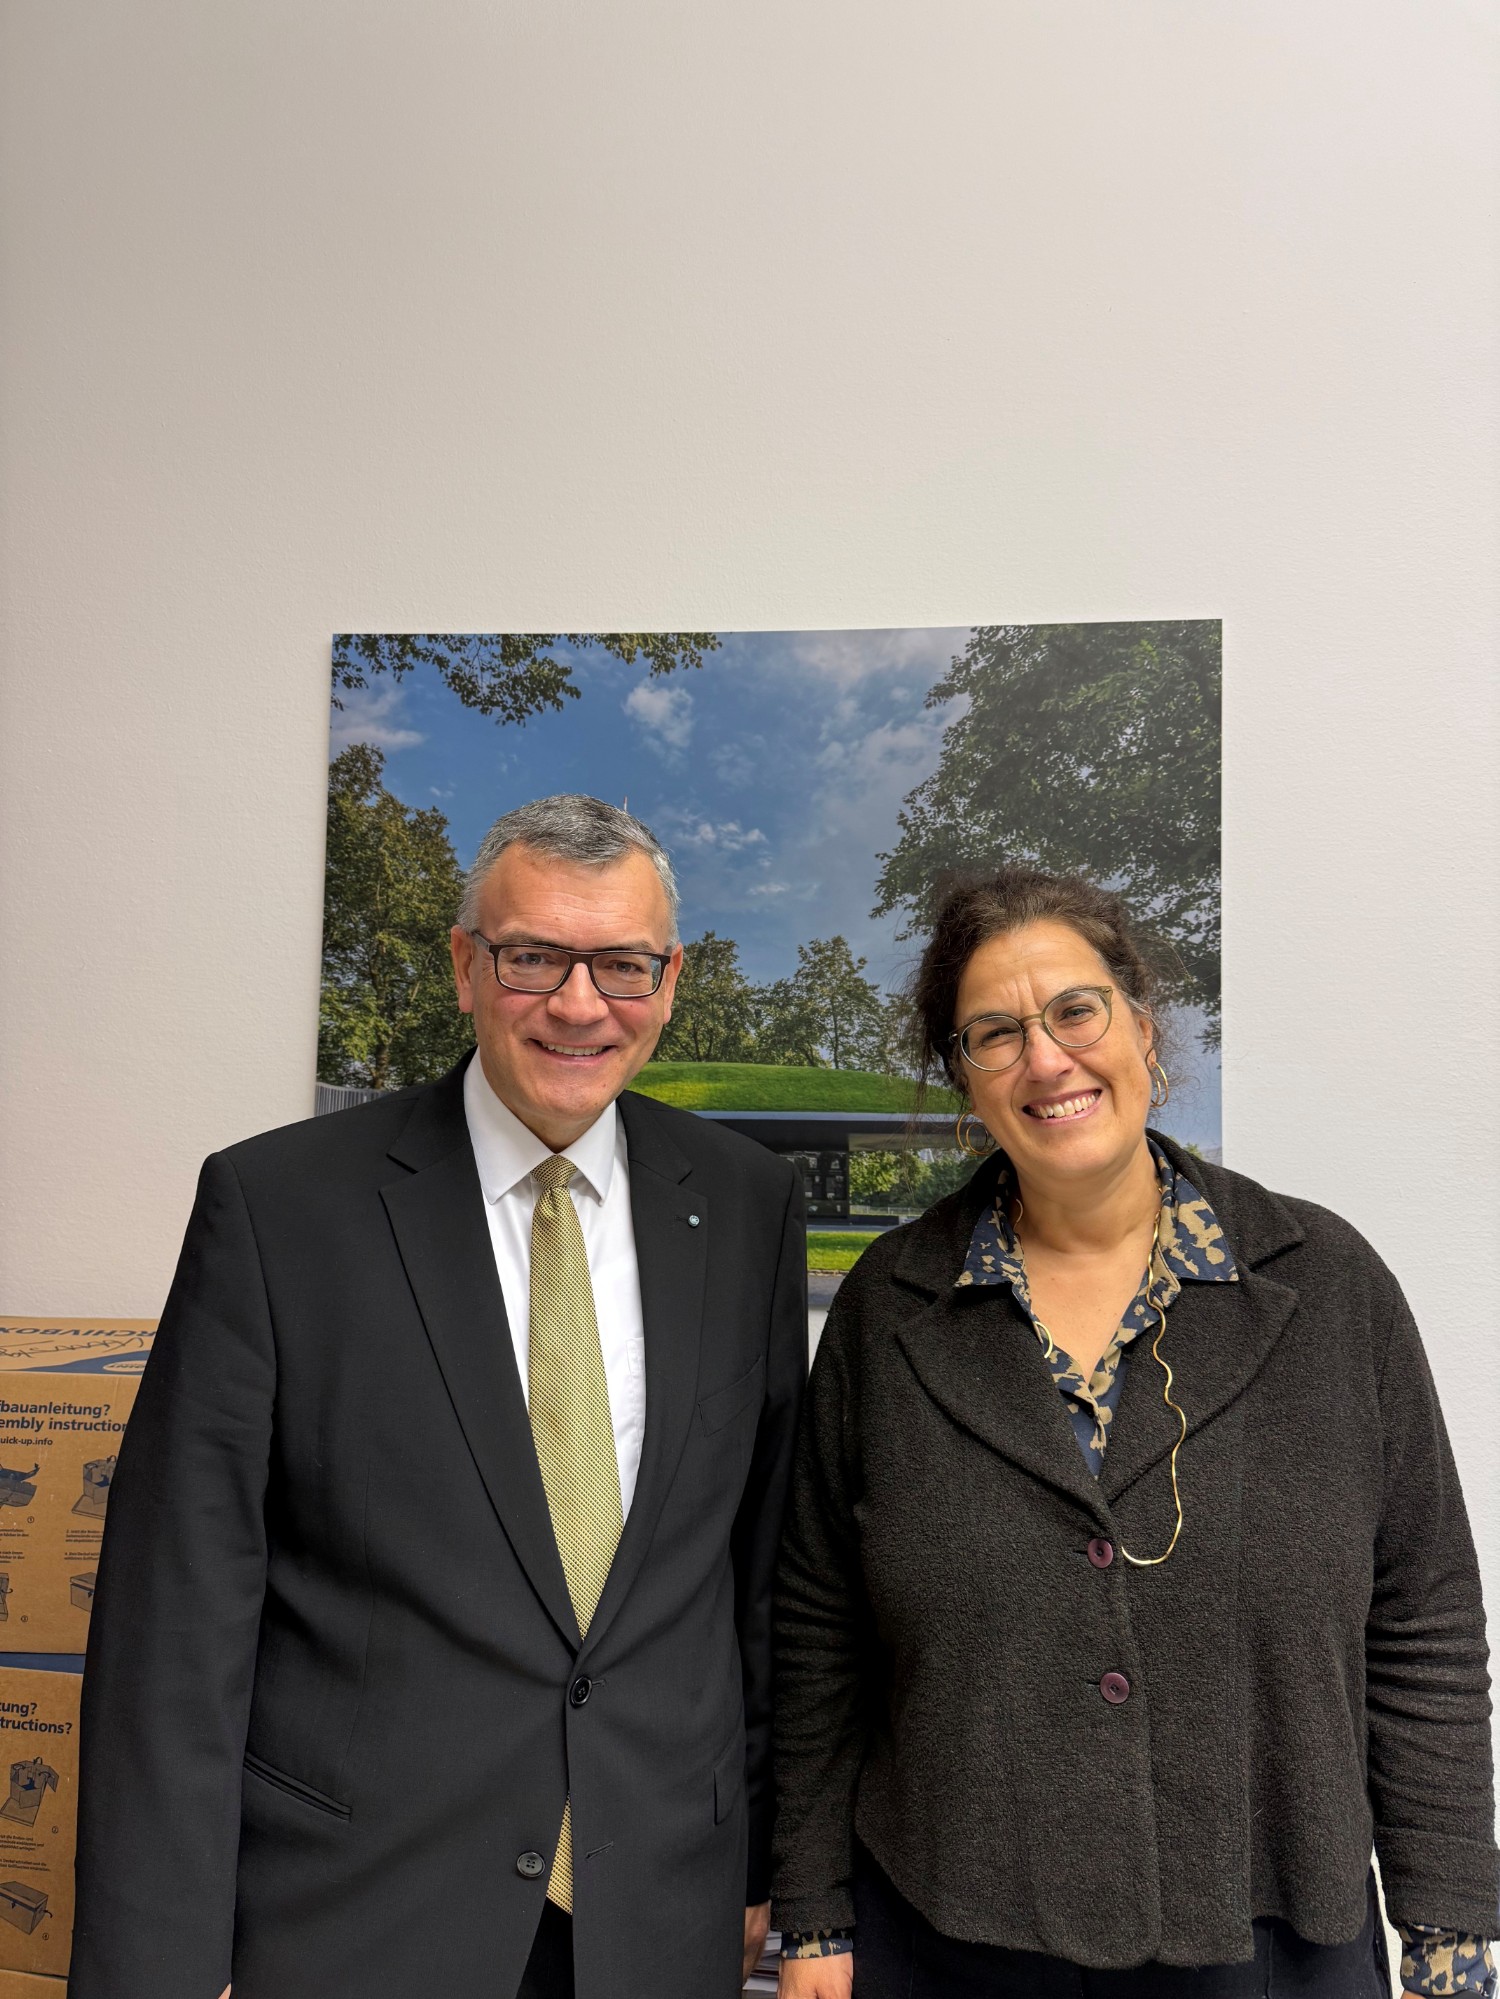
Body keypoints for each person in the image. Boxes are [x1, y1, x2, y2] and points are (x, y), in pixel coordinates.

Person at [72, 795, 806, 1999]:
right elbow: (175, 1618)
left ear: (669, 982)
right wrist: (154, 1964)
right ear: (468, 966)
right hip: (360, 1916)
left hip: (662, 1910)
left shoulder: (743, 1202)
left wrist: (766, 1867)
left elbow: (761, 1571)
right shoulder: (278, 1208)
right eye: (533, 957)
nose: (580, 1004)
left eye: (622, 963)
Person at [772, 866, 1497, 1999]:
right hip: (949, 1940)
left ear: (1143, 1029)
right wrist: (812, 1920)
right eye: (995, 1034)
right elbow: (820, 1629)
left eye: (1075, 1010)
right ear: (964, 1081)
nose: (1046, 1058)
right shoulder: (889, 1305)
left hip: (1272, 1945)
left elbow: (1425, 1621)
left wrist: (1450, 1931)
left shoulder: (1330, 1285)